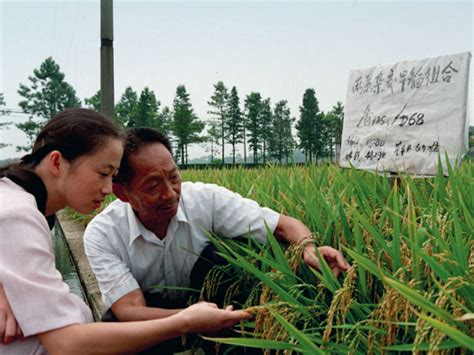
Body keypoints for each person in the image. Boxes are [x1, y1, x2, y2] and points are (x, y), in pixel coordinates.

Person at [0, 109, 250, 354]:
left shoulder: (20, 203)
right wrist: (185, 322)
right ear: (57, 162)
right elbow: (66, 343)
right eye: (103, 173)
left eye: (113, 176)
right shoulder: (20, 215)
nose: (109, 189)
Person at [83, 128, 350, 328]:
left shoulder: (205, 199)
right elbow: (130, 309)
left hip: (208, 302)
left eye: (174, 177)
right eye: (153, 186)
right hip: (150, 317)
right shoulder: (103, 233)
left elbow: (282, 225)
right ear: (122, 193)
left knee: (219, 258)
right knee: (114, 331)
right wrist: (190, 319)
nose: (170, 194)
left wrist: (308, 248)